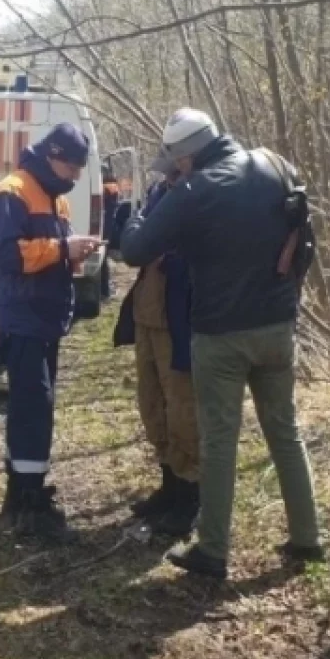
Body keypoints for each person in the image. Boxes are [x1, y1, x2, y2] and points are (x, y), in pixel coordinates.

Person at [120, 108, 322, 580]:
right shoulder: (273, 164)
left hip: (221, 334)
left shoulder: (194, 190)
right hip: (277, 326)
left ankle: (213, 550)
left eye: (176, 159)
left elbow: (134, 249)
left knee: (219, 441)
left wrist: (141, 211)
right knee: (285, 433)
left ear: (186, 156)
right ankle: (308, 539)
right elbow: (303, 240)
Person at [0, 122, 102, 541]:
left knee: (34, 407)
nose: (74, 177)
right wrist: (61, 250)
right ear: (52, 156)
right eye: (70, 168)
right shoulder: (12, 191)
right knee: (33, 408)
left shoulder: (56, 200)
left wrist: (73, 254)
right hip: (23, 317)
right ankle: (30, 507)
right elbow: (7, 255)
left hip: (45, 318)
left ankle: (21, 494)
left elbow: (49, 254)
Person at [112, 160, 199, 537]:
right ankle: (168, 486)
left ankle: (190, 497)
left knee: (183, 411)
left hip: (177, 322)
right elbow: (133, 245)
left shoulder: (201, 197)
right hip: (148, 316)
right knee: (152, 406)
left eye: (173, 172)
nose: (167, 178)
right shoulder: (159, 196)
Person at [100, 164, 120, 302]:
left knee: (103, 260)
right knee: (103, 259)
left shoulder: (106, 188)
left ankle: (105, 290)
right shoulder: (112, 187)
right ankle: (105, 289)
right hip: (107, 227)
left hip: (104, 228)